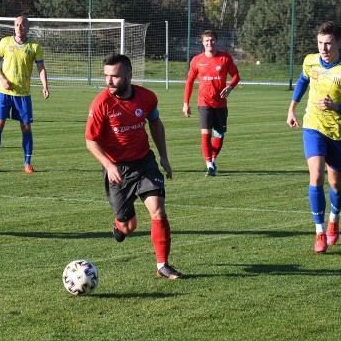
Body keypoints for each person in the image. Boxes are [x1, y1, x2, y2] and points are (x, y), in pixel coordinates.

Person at [85, 54, 182, 279]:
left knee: (158, 210)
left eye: (115, 76)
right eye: (106, 76)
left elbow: (155, 122)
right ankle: (119, 226)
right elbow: (90, 140)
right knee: (129, 226)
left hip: (144, 162)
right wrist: (109, 165)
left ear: (129, 75)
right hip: (117, 169)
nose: (109, 81)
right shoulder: (101, 103)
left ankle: (162, 265)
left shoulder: (147, 98)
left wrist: (164, 157)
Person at [286, 21, 341, 253]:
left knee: (335, 182)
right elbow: (303, 81)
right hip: (313, 126)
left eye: (328, 43)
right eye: (320, 43)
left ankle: (334, 219)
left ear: (338, 43)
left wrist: (336, 106)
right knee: (316, 175)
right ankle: (319, 232)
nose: (324, 48)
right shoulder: (310, 61)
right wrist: (292, 108)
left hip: (339, 132)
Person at [0, 15, 50, 173]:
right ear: (14, 27)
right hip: (3, 92)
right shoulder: (5, 42)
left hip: (23, 94)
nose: (19, 27)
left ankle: (27, 163)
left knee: (26, 127)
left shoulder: (34, 46)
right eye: (16, 25)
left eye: (22, 25)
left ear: (28, 27)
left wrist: (45, 86)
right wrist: (2, 79)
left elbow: (40, 68)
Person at [183, 30, 240, 177]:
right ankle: (209, 165)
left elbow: (236, 76)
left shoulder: (225, 58)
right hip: (204, 103)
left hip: (221, 104)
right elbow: (189, 82)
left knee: (219, 136)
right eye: (207, 41)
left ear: (216, 41)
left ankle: (213, 160)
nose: (210, 43)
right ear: (202, 43)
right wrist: (186, 103)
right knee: (205, 134)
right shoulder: (196, 60)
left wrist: (230, 87)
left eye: (212, 40)